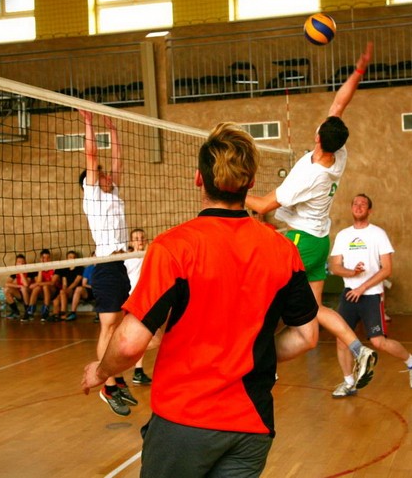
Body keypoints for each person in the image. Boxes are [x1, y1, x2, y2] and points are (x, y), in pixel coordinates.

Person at [82, 123, 318, 477]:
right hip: (251, 424)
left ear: (198, 178)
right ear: (251, 182)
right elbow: (306, 336)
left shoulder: (174, 247)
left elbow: (130, 343)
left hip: (184, 419)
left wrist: (100, 372)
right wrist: (247, 357)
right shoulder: (283, 250)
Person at [246, 42, 377, 391]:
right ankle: (359, 349)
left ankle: (259, 360)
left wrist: (230, 189)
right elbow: (340, 103)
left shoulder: (308, 176)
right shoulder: (339, 153)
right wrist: (359, 70)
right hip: (320, 241)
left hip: (302, 241)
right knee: (313, 311)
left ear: (318, 137)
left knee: (265, 296)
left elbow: (262, 206)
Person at [328, 195, 412, 397]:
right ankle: (349, 383)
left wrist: (362, 287)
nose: (358, 206)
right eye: (355, 203)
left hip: (371, 295)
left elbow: (387, 269)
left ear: (369, 210)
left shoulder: (378, 234)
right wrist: (351, 272)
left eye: (363, 204)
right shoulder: (343, 235)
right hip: (349, 294)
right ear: (351, 208)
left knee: (378, 342)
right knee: (341, 339)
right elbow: (335, 267)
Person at [79, 109, 135, 416]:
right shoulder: (92, 197)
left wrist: (113, 130)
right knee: (109, 327)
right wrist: (88, 123)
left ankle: (118, 378)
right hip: (106, 267)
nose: (108, 176)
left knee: (120, 327)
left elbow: (118, 160)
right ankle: (108, 385)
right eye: (101, 175)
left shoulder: (114, 193)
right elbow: (92, 156)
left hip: (121, 266)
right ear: (90, 182)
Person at [125, 228, 153, 385]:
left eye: (142, 237)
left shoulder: (149, 256)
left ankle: (138, 370)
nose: (140, 240)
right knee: (142, 338)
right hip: (133, 301)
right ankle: (135, 369)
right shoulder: (127, 259)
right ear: (131, 242)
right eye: (136, 238)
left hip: (146, 300)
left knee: (148, 338)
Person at [23, 248, 60, 322]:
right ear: (40, 259)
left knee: (44, 286)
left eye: (47, 258)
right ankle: (30, 311)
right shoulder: (37, 268)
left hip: (53, 292)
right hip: (42, 292)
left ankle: (45, 311)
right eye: (43, 258)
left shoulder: (55, 268)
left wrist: (37, 283)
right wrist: (41, 268)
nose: (46, 260)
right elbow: (39, 281)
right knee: (37, 288)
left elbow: (52, 283)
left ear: (50, 258)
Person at [56, 250, 85, 321]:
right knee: (61, 292)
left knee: (65, 291)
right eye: (70, 257)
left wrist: (68, 289)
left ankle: (69, 313)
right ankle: (62, 314)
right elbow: (64, 283)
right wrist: (65, 290)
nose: (72, 259)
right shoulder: (65, 269)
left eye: (74, 257)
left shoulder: (80, 268)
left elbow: (76, 282)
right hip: (69, 291)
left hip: (77, 290)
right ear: (67, 259)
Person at [4, 253, 34, 320]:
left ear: (25, 263)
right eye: (19, 262)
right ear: (16, 263)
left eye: (22, 262)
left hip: (29, 294)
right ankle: (15, 312)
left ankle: (27, 312)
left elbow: (26, 284)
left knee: (24, 288)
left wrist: (21, 272)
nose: (21, 263)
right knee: (6, 289)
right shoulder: (15, 272)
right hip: (19, 294)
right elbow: (6, 283)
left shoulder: (29, 271)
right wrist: (18, 286)